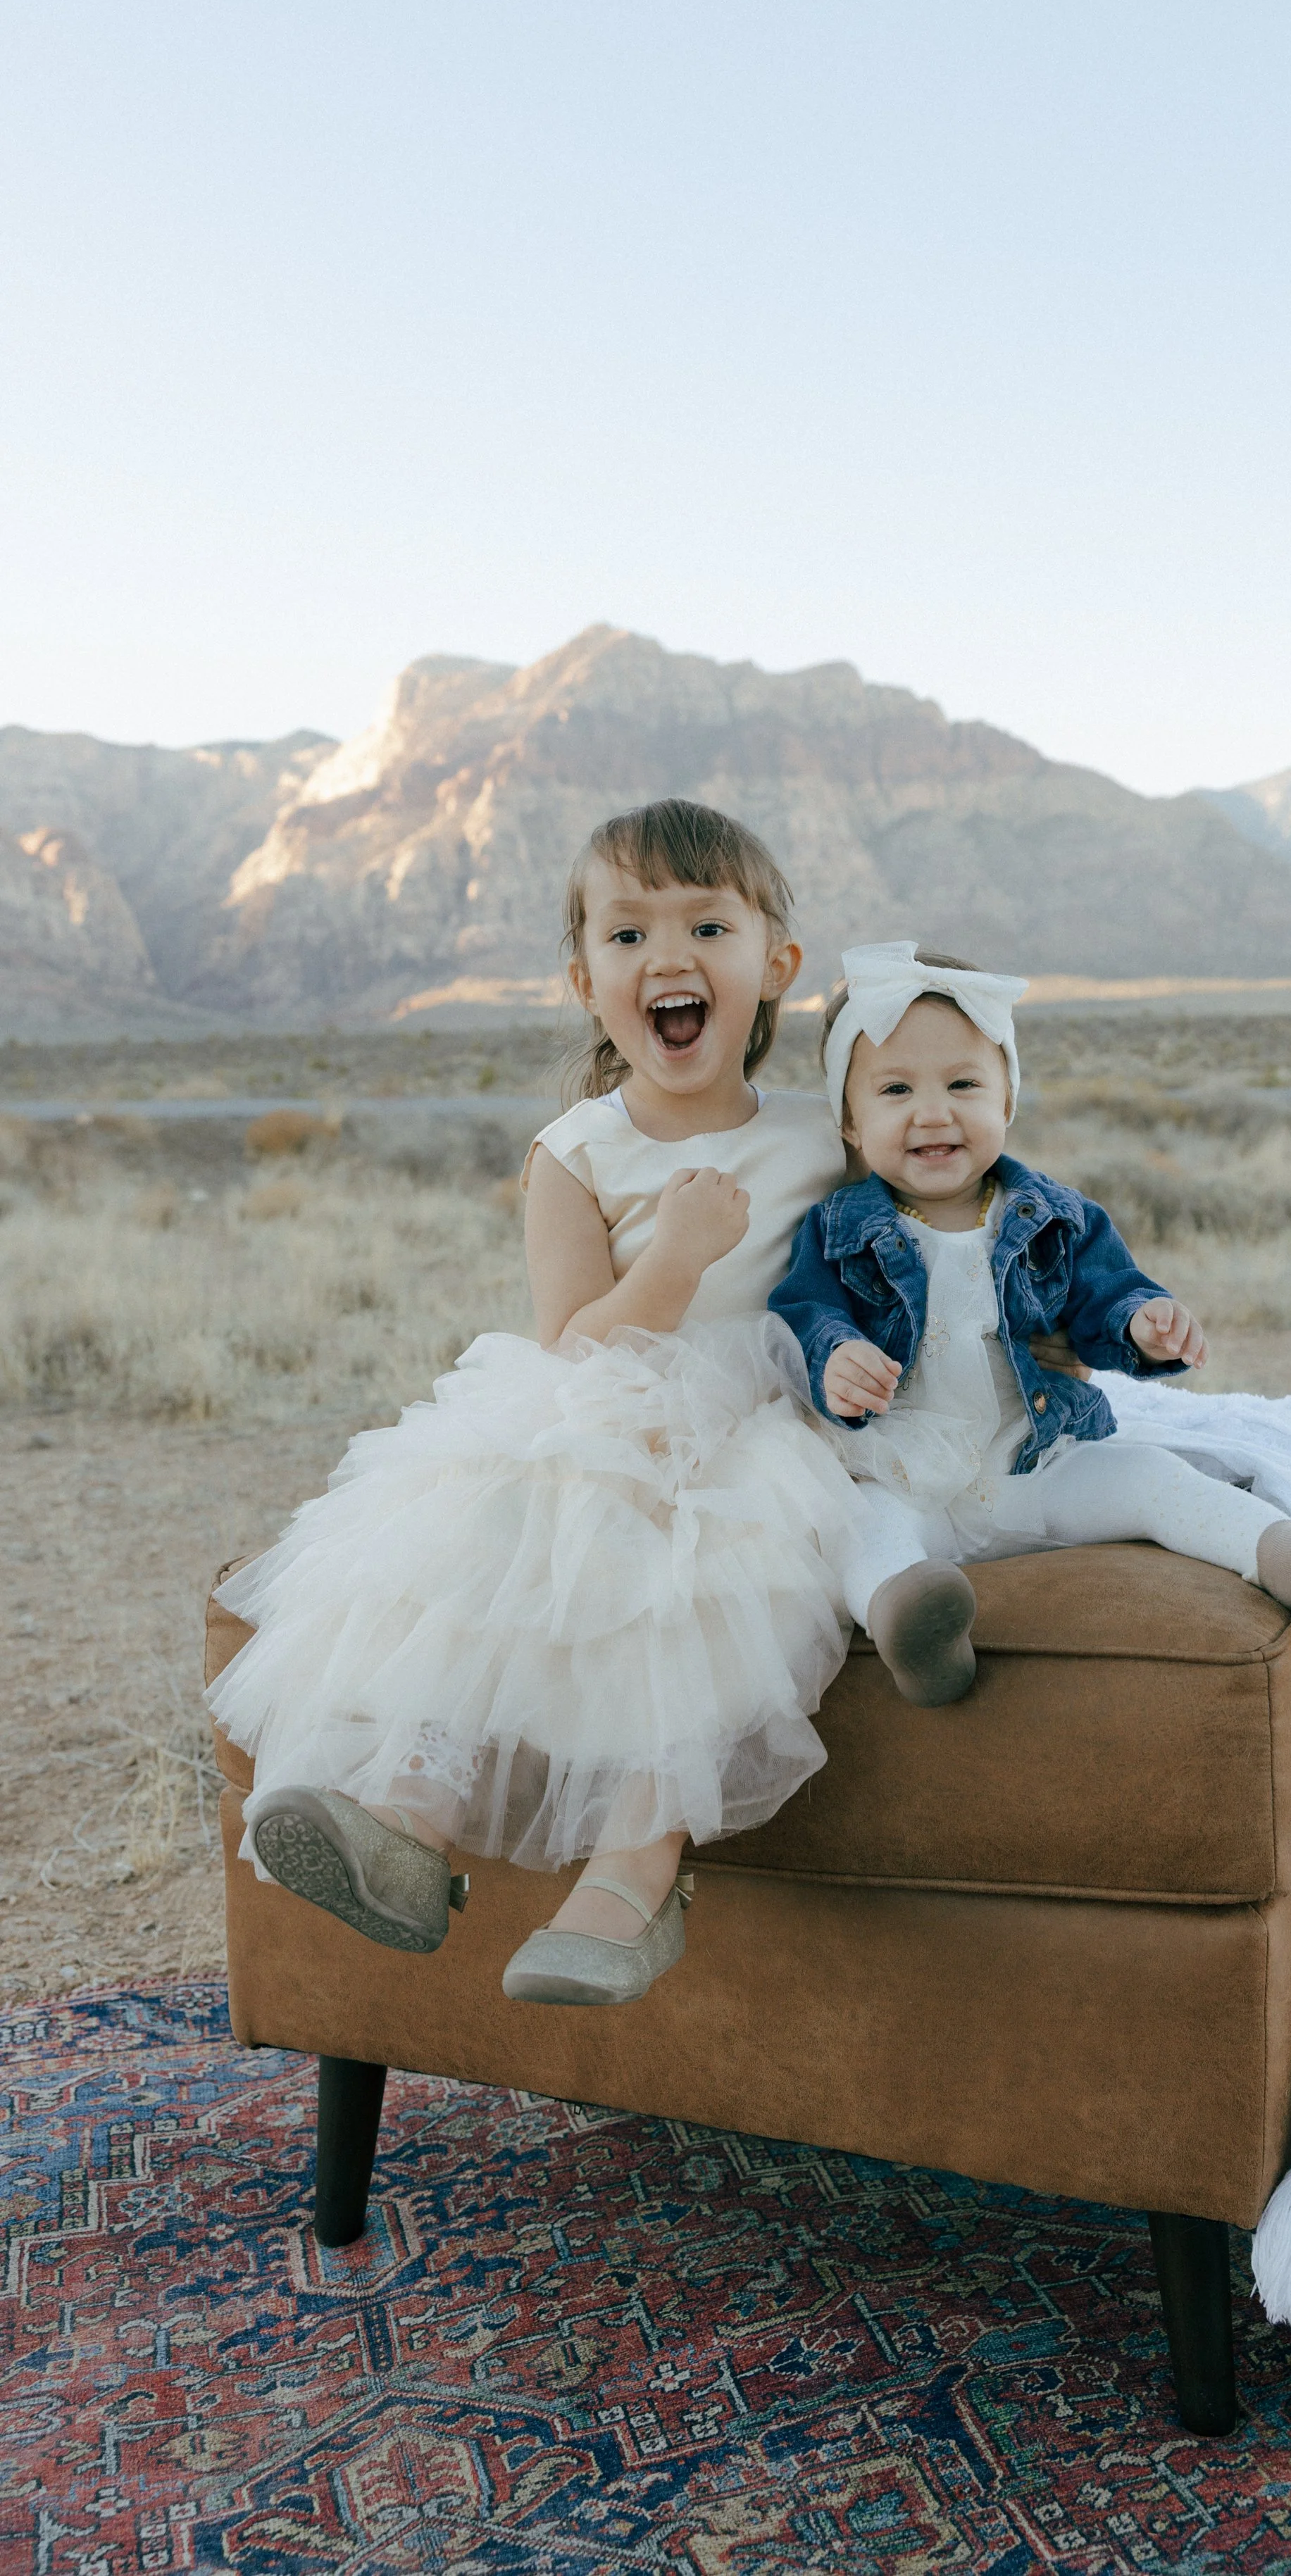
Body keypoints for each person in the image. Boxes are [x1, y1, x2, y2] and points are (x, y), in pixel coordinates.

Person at [211, 800, 865, 2010]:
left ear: (776, 965)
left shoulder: (825, 1139)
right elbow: (571, 1341)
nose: (666, 957)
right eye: (628, 935)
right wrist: (676, 1257)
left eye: (706, 927)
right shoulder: (574, 1151)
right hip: (607, 1408)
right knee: (491, 1524)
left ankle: (634, 1875)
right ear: (584, 982)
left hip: (767, 1430)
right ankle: (407, 1819)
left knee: (722, 1567)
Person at [769, 942, 1291, 1707]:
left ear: (1006, 1100)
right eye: (896, 1089)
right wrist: (835, 1357)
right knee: (861, 1527)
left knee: (1150, 1477)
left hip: (1035, 1464)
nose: (933, 1112)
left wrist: (1142, 1324)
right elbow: (805, 1313)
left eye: (963, 1084)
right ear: (850, 1122)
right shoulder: (837, 1228)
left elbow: (1108, 1296)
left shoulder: (1054, 1218)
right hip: (904, 1478)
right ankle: (912, 1621)